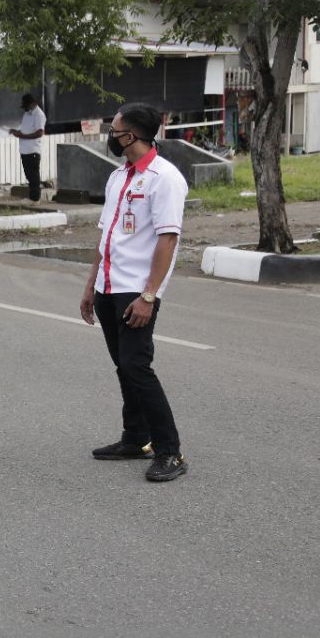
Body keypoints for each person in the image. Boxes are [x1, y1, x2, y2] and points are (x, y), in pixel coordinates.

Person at [80, 102, 189, 483]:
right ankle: (135, 438)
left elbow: (168, 240)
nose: (110, 136)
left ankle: (170, 450)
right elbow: (105, 235)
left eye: (115, 130)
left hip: (136, 291)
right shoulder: (118, 177)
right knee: (123, 366)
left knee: (136, 367)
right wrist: (91, 285)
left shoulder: (165, 179)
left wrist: (149, 295)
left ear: (132, 136)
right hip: (108, 287)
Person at [12, 93, 46, 201]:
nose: (24, 108)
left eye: (26, 106)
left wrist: (22, 135)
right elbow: (26, 130)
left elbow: (39, 133)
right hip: (25, 150)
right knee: (29, 175)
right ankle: (32, 197)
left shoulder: (39, 115)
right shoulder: (27, 114)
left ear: (32, 104)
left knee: (33, 175)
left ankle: (35, 199)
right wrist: (17, 132)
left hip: (33, 150)